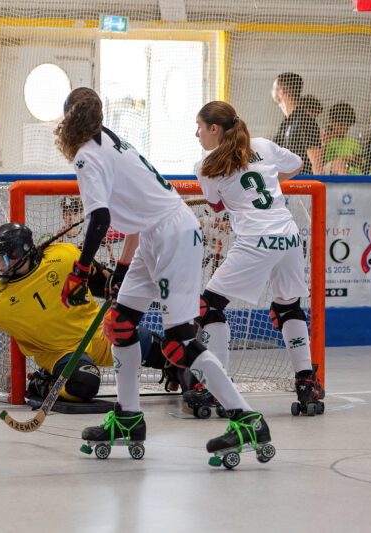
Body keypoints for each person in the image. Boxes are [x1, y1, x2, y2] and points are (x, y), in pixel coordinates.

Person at [53, 87, 272, 463]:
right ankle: (128, 418)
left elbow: (100, 218)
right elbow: (135, 214)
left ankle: (247, 419)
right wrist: (122, 269)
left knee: (179, 342)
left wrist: (80, 270)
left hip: (173, 236)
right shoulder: (111, 140)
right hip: (154, 235)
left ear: (67, 122)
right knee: (121, 324)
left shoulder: (88, 156)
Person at [0, 222, 168, 407]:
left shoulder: (65, 257)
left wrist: (120, 283)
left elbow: (104, 283)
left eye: (1, 258)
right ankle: (43, 383)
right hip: (59, 352)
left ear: (20, 253)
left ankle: (182, 376)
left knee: (164, 350)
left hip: (98, 335)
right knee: (84, 384)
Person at [194, 100, 325, 418]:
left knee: (209, 307)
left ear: (215, 129)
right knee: (288, 307)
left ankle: (218, 386)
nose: (197, 134)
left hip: (256, 240)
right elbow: (296, 165)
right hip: (289, 237)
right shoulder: (263, 145)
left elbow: (216, 206)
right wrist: (270, 184)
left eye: (200, 127)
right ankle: (306, 384)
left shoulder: (205, 166)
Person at [271, 73, 321, 175]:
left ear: (281, 92)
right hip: (286, 182)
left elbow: (317, 162)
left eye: (274, 88)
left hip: (302, 182)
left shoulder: (304, 121)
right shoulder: (285, 124)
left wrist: (318, 184)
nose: (272, 91)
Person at [321, 102, 363, 175]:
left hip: (354, 175)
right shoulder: (325, 139)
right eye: (340, 125)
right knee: (339, 163)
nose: (343, 129)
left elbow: (362, 163)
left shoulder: (353, 142)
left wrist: (355, 160)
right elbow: (319, 162)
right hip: (331, 175)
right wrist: (345, 159)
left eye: (347, 126)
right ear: (331, 121)